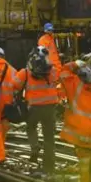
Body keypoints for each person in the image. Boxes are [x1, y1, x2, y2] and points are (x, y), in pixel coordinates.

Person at [13, 46, 59, 174]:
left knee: (31, 127)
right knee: (49, 136)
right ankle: (49, 165)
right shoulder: (52, 71)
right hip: (50, 107)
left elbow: (15, 84)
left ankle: (35, 148)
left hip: (33, 107)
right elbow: (57, 79)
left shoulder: (26, 72)